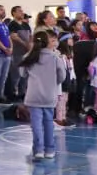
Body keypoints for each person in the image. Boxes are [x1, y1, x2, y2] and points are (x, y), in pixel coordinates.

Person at [20, 32, 65, 161]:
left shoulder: (29, 57)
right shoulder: (55, 57)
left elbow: (22, 74)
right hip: (49, 95)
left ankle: (38, 150)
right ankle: (50, 150)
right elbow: (62, 76)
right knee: (48, 123)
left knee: (36, 124)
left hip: (34, 95)